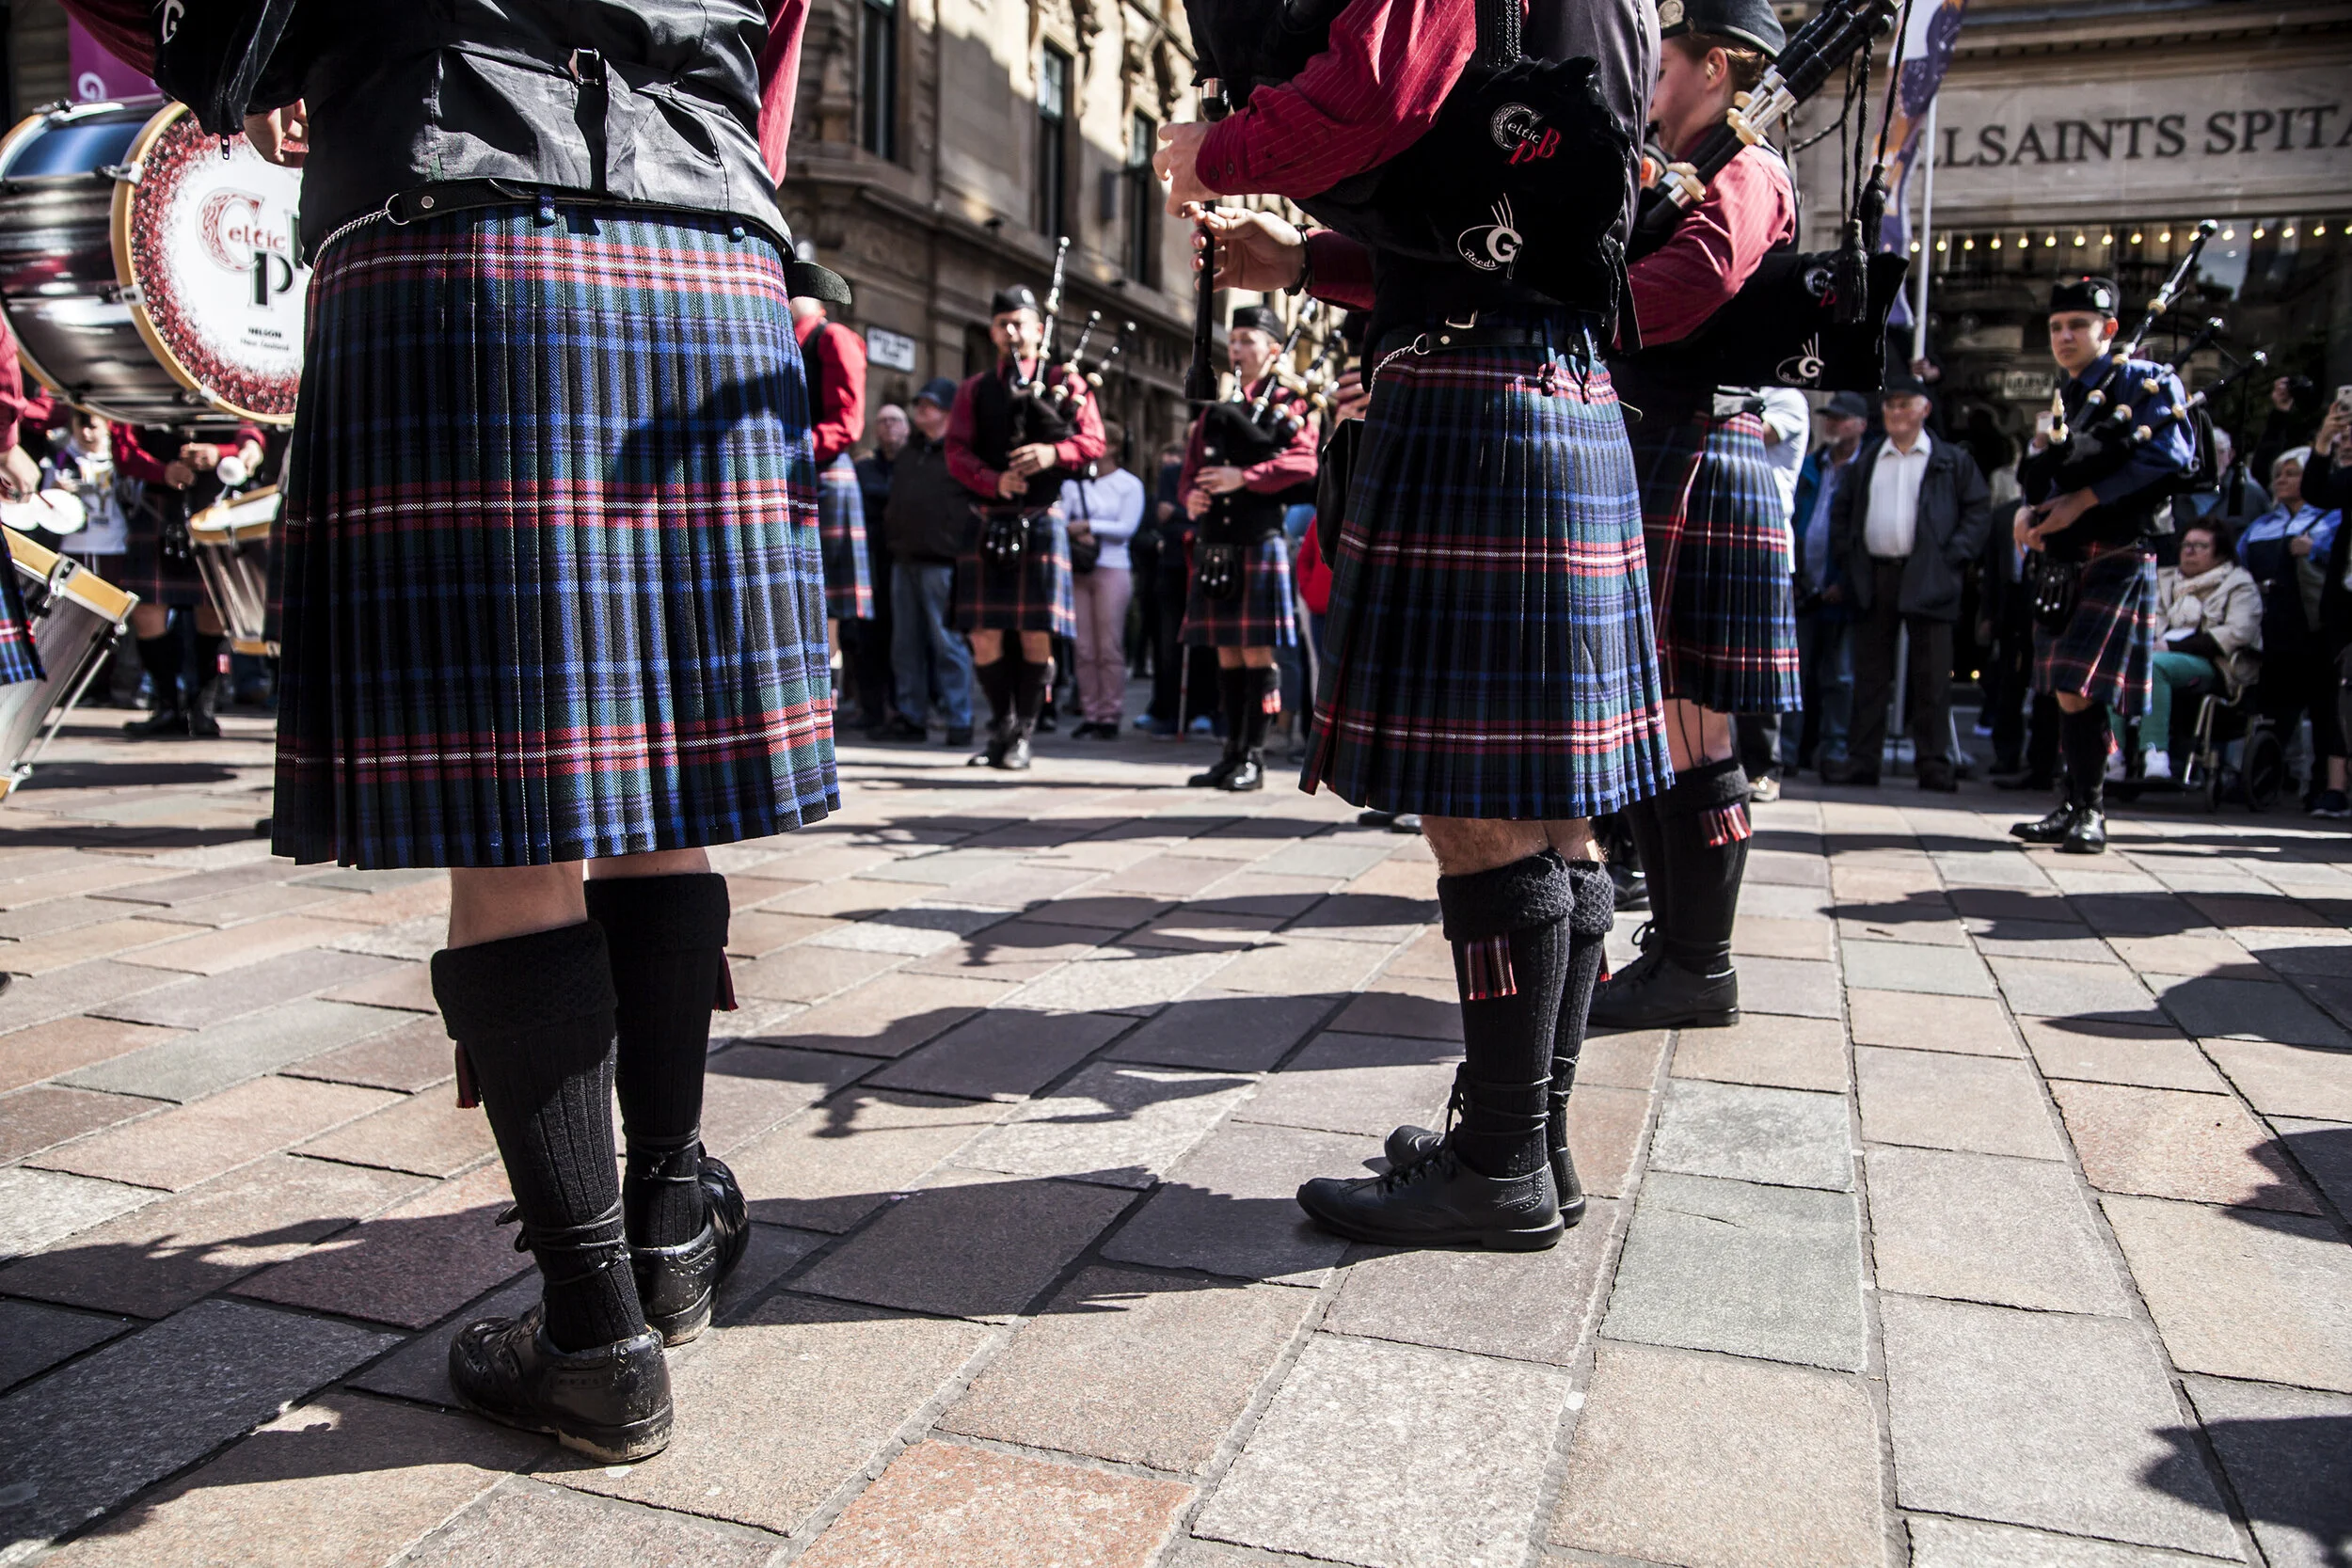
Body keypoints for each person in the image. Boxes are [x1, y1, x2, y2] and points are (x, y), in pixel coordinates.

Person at [201, 0, 832, 1462]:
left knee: (512, 799)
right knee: (661, 766)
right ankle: (669, 1219)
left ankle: (596, 1335)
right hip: (712, 241)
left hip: (462, 209)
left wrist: (253, 58)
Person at [1156, 0, 1669, 1249]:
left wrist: (1209, 153)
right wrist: (1316, 262)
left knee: (1481, 796)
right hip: (1559, 374)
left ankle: (1498, 1159)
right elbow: (1504, 207)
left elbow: (1378, 91)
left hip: (1473, 384)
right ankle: (1528, 1136)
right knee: (1556, 801)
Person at [1588, 0, 1798, 1032]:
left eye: (1660, 67)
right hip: (1663, 448)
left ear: (1713, 69)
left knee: (1694, 718)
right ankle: (1676, 950)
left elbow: (1696, 279)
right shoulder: (1667, 172)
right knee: (1671, 719)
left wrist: (1574, 308)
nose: (1647, 85)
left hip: (1702, 451)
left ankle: (1697, 962)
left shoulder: (1747, 172)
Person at [2010, 277, 2194, 854]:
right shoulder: (2069, 395)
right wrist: (2029, 511)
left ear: (2109, 330)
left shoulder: (2143, 381)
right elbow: (2054, 468)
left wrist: (2081, 504)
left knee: (2079, 682)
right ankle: (2074, 803)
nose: (2064, 337)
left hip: (2116, 548)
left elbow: (2173, 457)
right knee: (2068, 686)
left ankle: (2090, 809)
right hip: (2068, 556)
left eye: (2077, 327)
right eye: (2056, 327)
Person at [945, 286, 1105, 770]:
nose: (1012, 332)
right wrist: (994, 480)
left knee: (1036, 634)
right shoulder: (974, 389)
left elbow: (1093, 441)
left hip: (1040, 520)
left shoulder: (1067, 382)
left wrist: (1053, 453)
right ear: (992, 331)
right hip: (989, 517)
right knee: (985, 635)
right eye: (1003, 324)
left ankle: (1023, 736)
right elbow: (956, 451)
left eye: (1020, 323)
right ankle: (1002, 728)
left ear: (1040, 329)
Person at [1827, 372, 1991, 791]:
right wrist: (1849, 559)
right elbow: (1841, 513)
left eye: (1905, 404)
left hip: (1930, 577)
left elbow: (1978, 512)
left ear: (1924, 409)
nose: (1896, 412)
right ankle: (1863, 761)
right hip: (1875, 575)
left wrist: (1952, 558)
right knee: (1869, 677)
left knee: (1932, 678)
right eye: (1890, 405)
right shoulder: (1867, 460)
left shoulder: (1950, 459)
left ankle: (1934, 764)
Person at [1178, 304, 1317, 792]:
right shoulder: (1218, 408)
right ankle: (1230, 752)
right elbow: (1191, 468)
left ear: (1274, 350)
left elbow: (1305, 464)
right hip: (1217, 540)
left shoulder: (1291, 403)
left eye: (1247, 340)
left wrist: (1246, 477)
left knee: (1257, 651)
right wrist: (1191, 496)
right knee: (1226, 652)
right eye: (1233, 340)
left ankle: (1254, 758)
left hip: (1258, 538)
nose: (1236, 349)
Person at [112, 424, 257, 740]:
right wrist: (161, 471)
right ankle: (167, 707)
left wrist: (221, 453)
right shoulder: (142, 380)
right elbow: (122, 446)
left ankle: (202, 708)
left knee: (214, 610)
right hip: (158, 504)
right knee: (147, 611)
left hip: (213, 506)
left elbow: (252, 434)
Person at [2237, 447, 2346, 816]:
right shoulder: (2262, 524)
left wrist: (2316, 551)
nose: (2282, 480)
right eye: (2279, 474)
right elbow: (2240, 564)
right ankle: (2264, 778)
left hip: (2316, 625)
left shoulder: (2332, 517)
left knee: (2324, 707)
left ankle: (2322, 788)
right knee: (2274, 707)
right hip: (2273, 624)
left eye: (2292, 473)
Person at [881, 378, 976, 745]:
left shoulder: (959, 452)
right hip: (904, 559)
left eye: (930, 404)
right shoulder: (909, 452)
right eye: (919, 403)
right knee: (905, 646)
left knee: (947, 644)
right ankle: (911, 716)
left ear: (950, 412)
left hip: (942, 561)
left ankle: (959, 718)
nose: (921, 409)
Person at [2126, 520, 2258, 781]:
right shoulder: (2164, 580)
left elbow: (2237, 632)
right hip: (2161, 655)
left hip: (2217, 666)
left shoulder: (2238, 583)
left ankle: (2155, 755)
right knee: (2122, 663)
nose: (2190, 551)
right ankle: (2114, 756)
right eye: (2186, 545)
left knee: (2154, 665)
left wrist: (2171, 646)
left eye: (2200, 546)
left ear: (2220, 553)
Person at [792, 296, 873, 711]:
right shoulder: (776, 338)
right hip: (790, 474)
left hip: (823, 474)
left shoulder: (833, 338)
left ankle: (826, 703)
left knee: (826, 605)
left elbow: (848, 422)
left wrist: (789, 452)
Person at [1788, 391, 1867, 775]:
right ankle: (1788, 755)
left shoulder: (1867, 468)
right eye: (1829, 417)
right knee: (1796, 675)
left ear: (1861, 425)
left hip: (1844, 590)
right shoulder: (1810, 466)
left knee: (1839, 677)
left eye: (1841, 417)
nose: (1832, 424)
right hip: (1805, 587)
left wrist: (1843, 580)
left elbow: (1858, 532)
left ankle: (1834, 753)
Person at [1062, 425, 1146, 738]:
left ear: (1111, 447)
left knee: (1108, 644)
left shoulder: (1128, 485)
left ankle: (1110, 713)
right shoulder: (1074, 486)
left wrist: (1088, 525)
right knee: (1083, 647)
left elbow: (1126, 527)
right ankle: (1091, 711)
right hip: (1080, 568)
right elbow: (1061, 522)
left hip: (1112, 566)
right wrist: (1080, 527)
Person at [849, 402, 908, 736]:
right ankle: (870, 708)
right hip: (869, 561)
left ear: (906, 428)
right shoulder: (863, 468)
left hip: (902, 558)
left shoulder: (914, 465)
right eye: (882, 421)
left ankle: (904, 706)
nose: (888, 427)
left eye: (894, 421)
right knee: (867, 640)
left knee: (903, 638)